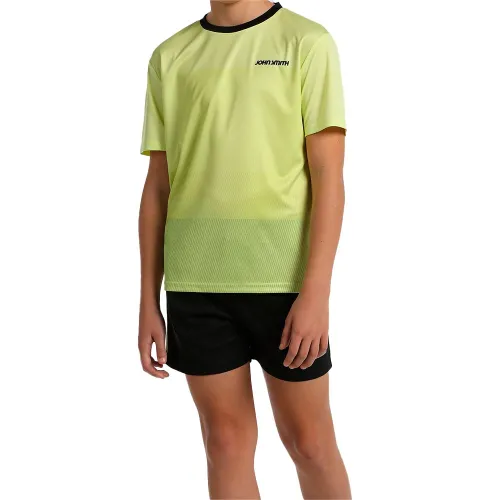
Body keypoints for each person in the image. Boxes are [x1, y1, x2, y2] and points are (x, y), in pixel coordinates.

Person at [138, 1, 351, 498]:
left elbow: (329, 178)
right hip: (196, 285)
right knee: (225, 444)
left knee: (309, 443)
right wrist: (149, 298)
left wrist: (316, 293)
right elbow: (157, 188)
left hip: (284, 283)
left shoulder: (307, 42)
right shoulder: (170, 56)